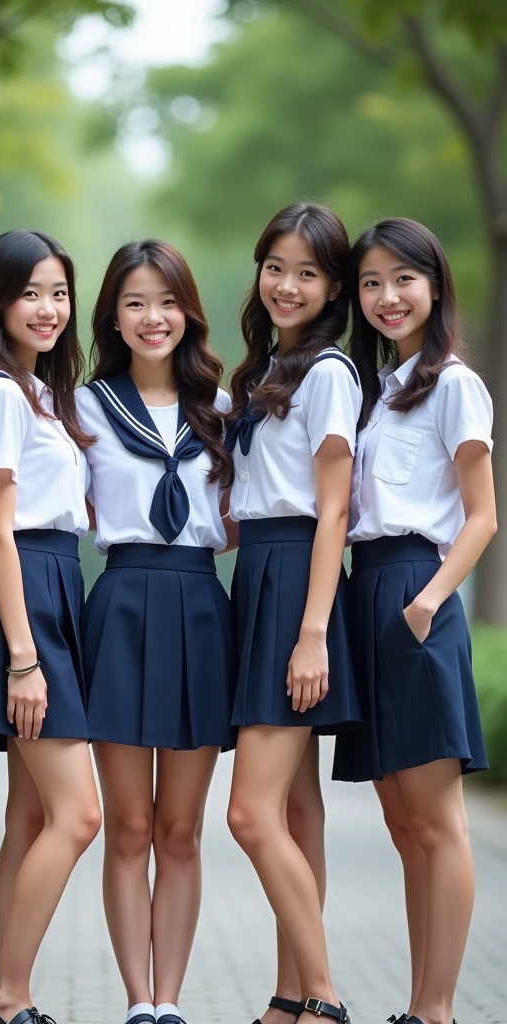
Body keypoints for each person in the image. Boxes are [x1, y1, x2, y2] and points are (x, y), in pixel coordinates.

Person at [333, 218, 496, 1024]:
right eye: (371, 283)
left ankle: (435, 1011)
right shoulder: (379, 391)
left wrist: (428, 602)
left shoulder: (453, 384)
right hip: (369, 593)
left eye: (403, 280)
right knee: (402, 823)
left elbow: (483, 517)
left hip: (416, 591)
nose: (387, 297)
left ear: (435, 286)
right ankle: (419, 1004)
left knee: (437, 821)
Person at [76, 239, 235, 1024]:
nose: (153, 317)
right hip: (122, 605)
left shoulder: (224, 409)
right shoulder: (83, 407)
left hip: (200, 606)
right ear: (113, 314)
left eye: (167, 301)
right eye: (135, 302)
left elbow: (239, 521)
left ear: (188, 311)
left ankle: (170, 999)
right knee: (129, 824)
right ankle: (136, 1001)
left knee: (180, 828)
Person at [0, 230, 102, 1024]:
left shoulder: (40, 392)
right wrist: (23, 656)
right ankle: (5, 997)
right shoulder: (1, 395)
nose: (48, 309)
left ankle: (11, 1000)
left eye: (59, 293)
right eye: (30, 294)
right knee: (78, 814)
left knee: (30, 815)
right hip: (29, 603)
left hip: (55, 589)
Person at [225, 202, 360, 1024]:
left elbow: (333, 512)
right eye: (277, 266)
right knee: (292, 809)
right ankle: (290, 995)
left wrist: (312, 633)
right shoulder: (261, 373)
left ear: (333, 287)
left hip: (297, 582)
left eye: (308, 272)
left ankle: (326, 996)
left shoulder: (330, 374)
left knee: (247, 813)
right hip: (259, 577)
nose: (287, 283)